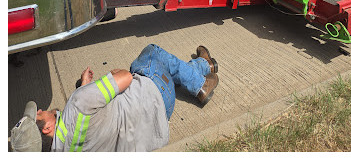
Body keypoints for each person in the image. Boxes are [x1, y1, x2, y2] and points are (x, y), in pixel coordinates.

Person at [10, 44, 219, 152]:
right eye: (37, 116)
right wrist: (101, 81)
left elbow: (81, 128)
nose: (38, 111)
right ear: (46, 129)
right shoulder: (79, 103)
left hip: (157, 127)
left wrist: (85, 87)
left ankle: (204, 66)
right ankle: (201, 83)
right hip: (158, 98)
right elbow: (125, 78)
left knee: (168, 72)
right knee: (148, 57)